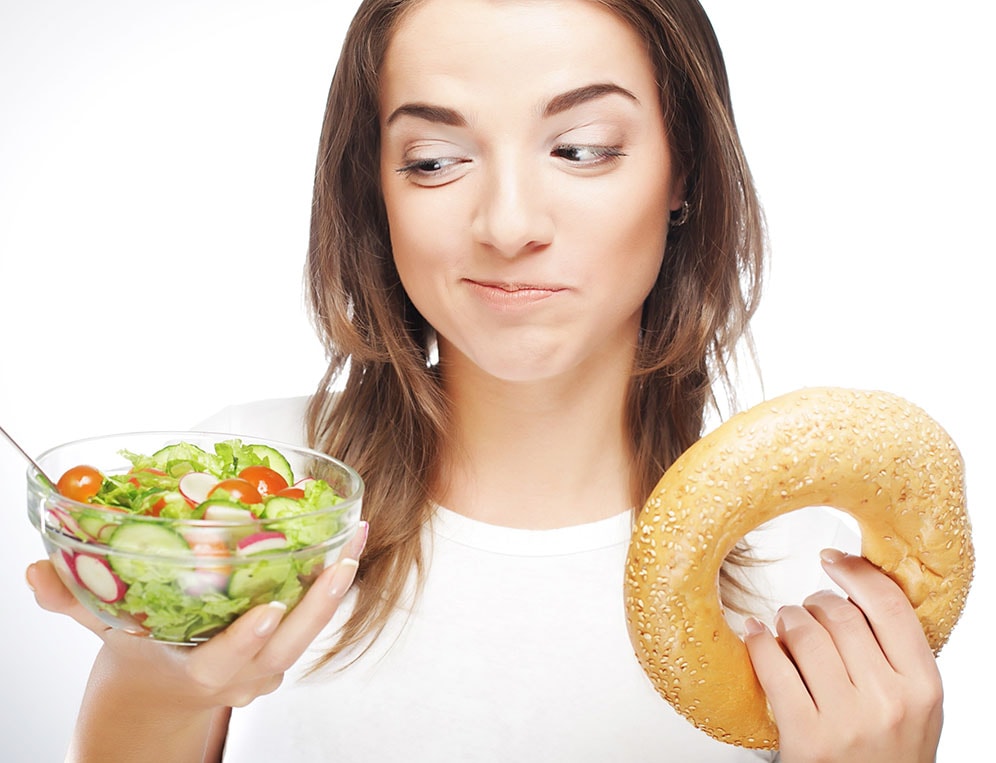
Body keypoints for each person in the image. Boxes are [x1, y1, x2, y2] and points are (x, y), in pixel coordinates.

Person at [26, 0, 945, 760]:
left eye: (582, 148)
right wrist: (149, 685)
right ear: (374, 189)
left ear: (683, 172)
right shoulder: (254, 505)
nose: (508, 224)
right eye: (434, 161)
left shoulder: (819, 566)